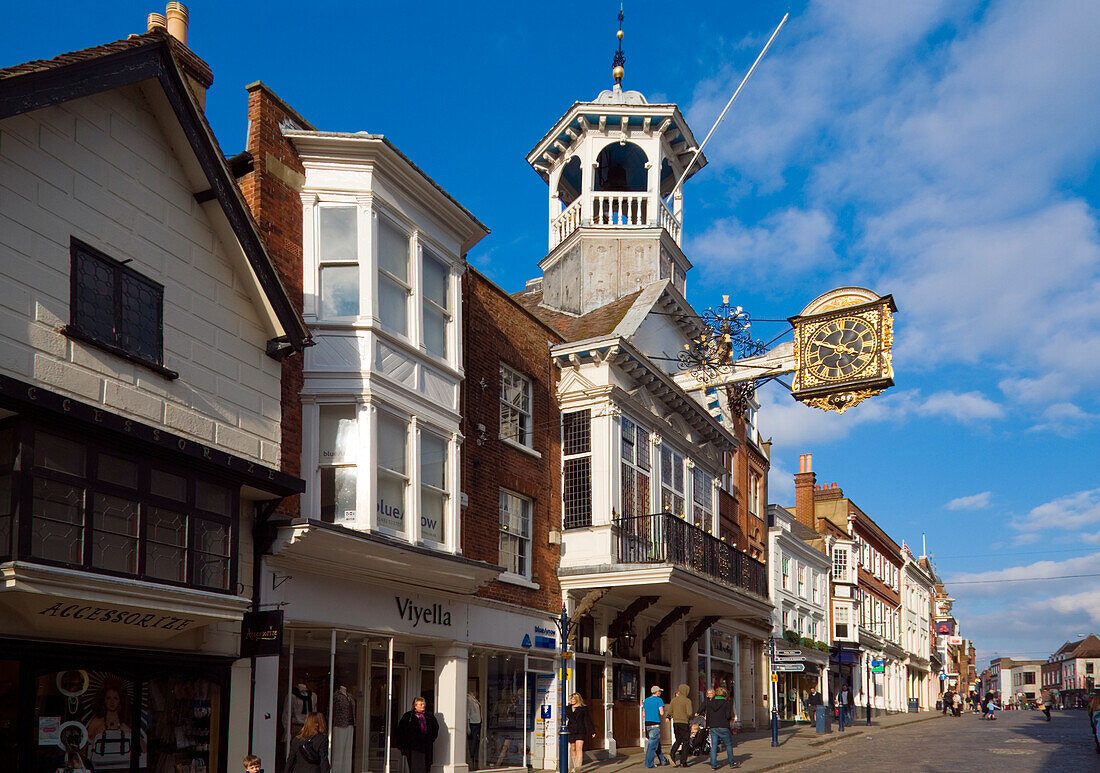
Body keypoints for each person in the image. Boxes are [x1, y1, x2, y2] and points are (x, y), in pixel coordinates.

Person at [395, 697, 439, 773]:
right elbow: (401, 730)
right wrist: (402, 745)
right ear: (415, 706)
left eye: (423, 704)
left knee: (425, 766)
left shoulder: (429, 716)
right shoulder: (408, 716)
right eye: (420, 704)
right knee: (415, 767)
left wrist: (430, 739)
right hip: (412, 746)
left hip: (425, 745)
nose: (423, 706)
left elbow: (435, 728)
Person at [703, 687, 739, 769]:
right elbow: (728, 716)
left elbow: (708, 715)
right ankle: (731, 763)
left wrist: (708, 725)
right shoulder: (727, 703)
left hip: (713, 726)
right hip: (723, 726)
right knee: (729, 745)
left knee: (714, 746)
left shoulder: (710, 703)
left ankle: (713, 765)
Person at [565, 693, 595, 773]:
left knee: (579, 748)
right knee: (573, 749)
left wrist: (592, 731)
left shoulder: (583, 708)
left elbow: (587, 720)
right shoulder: (567, 708)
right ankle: (575, 766)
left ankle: (578, 767)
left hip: (580, 730)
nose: (572, 700)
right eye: (571, 699)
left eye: (573, 699)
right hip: (571, 730)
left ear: (577, 699)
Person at [643, 685, 670, 768]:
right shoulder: (659, 700)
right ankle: (649, 764)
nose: (660, 693)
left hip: (647, 723)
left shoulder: (646, 700)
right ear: (656, 692)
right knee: (652, 745)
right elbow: (661, 713)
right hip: (655, 723)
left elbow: (644, 714)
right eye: (659, 691)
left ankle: (663, 760)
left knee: (656, 743)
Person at [668, 684, 694, 768]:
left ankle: (672, 753)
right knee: (686, 742)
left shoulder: (674, 700)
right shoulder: (687, 701)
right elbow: (689, 713)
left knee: (678, 739)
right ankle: (683, 762)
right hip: (684, 722)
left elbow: (670, 711)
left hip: (676, 722)